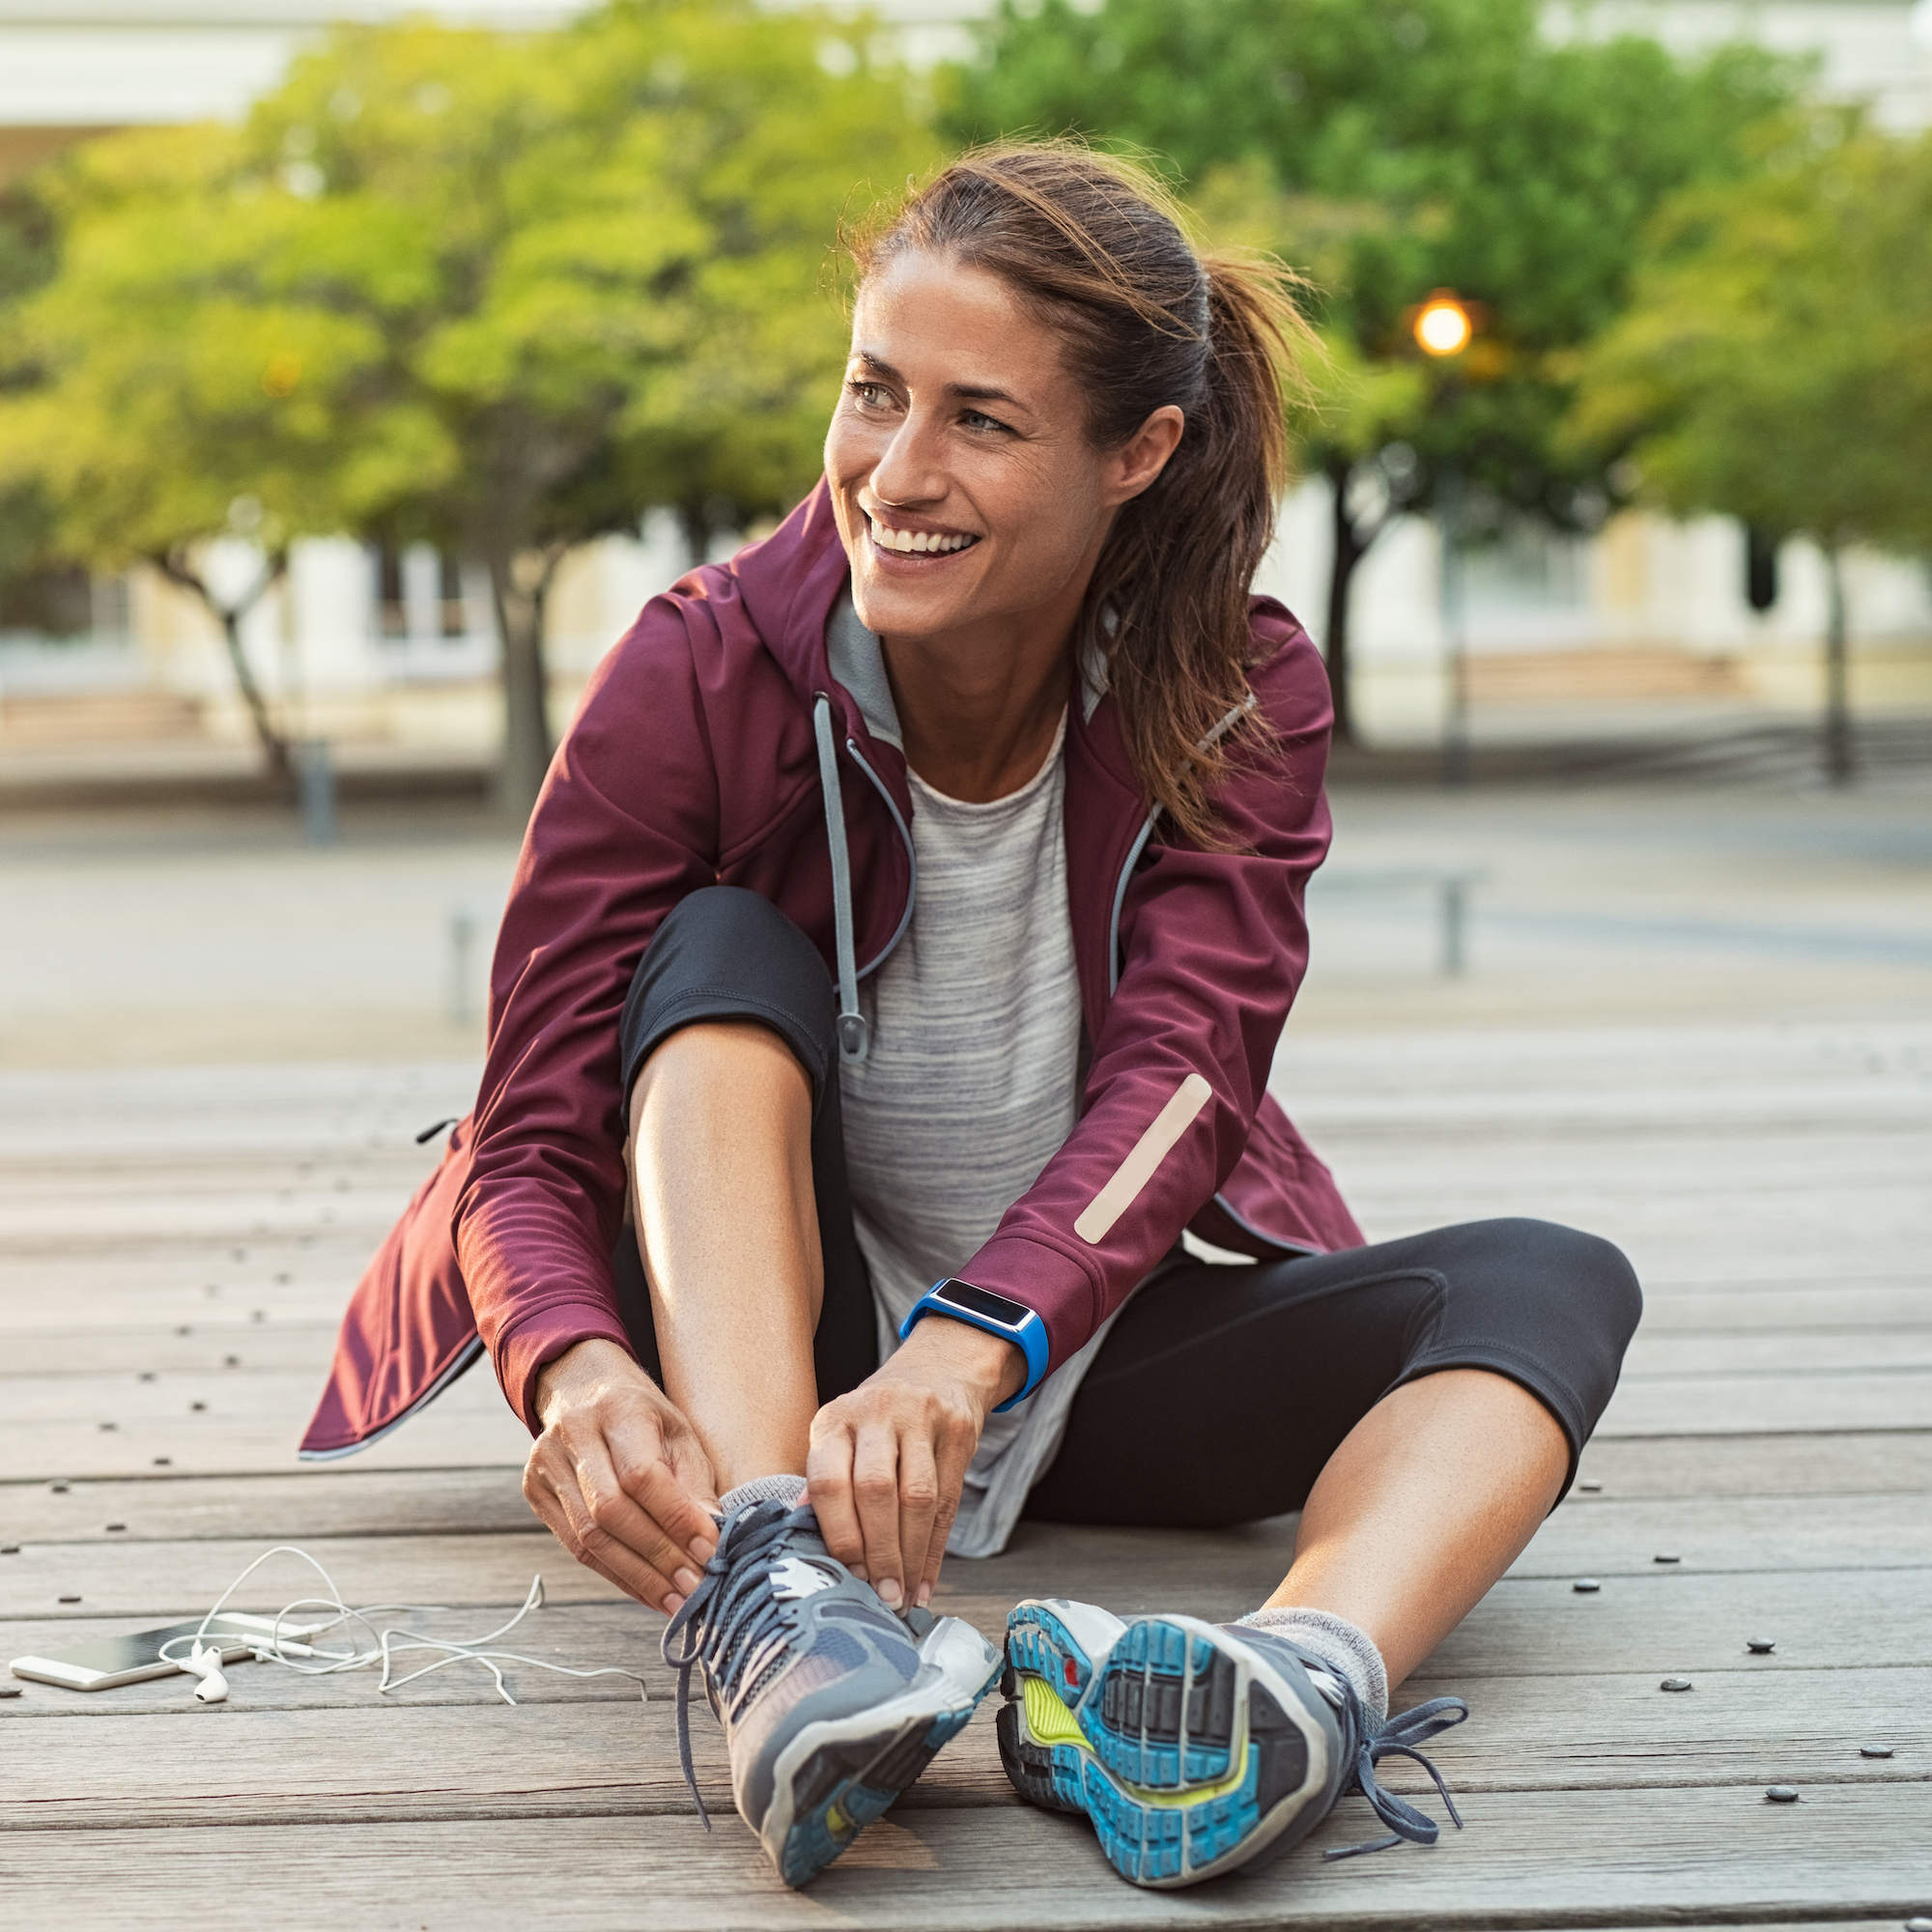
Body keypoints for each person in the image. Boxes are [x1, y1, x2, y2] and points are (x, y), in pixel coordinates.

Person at [303, 143, 1640, 1891]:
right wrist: (572, 1362)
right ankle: (781, 1608)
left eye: (981, 422)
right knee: (712, 951)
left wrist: (976, 1340)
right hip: (773, 1365)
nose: (896, 474)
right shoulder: (697, 670)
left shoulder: (1237, 688)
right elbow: (531, 1125)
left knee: (1550, 1280)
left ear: (1136, 455)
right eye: (874, 395)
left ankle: (1300, 1683)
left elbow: (1189, 1078)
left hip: (1057, 1347)